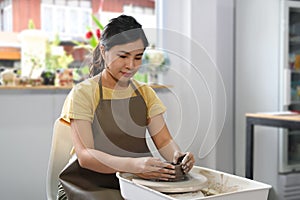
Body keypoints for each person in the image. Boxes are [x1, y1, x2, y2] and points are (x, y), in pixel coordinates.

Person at [57, 14, 195, 200]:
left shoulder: (145, 93)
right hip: (87, 185)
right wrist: (133, 165)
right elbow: (86, 156)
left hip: (135, 183)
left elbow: (164, 142)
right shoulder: (83, 93)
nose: (131, 65)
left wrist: (178, 156)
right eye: (123, 56)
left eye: (138, 57)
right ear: (104, 51)